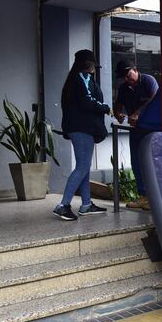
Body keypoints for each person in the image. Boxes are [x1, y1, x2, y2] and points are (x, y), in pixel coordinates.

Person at [52, 50, 111, 221]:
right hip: (83, 128)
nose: (94, 69)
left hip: (78, 128)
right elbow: (88, 101)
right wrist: (105, 108)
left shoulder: (73, 79)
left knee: (83, 167)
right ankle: (63, 205)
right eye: (92, 65)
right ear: (87, 64)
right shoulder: (82, 77)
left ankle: (86, 204)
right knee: (82, 167)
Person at [113, 61, 159, 211]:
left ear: (135, 70)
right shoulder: (124, 87)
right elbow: (118, 105)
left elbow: (155, 100)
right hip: (136, 130)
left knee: (152, 162)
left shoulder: (148, 80)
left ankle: (155, 198)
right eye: (124, 78)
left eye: (128, 75)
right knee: (136, 162)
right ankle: (143, 196)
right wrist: (118, 113)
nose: (127, 79)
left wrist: (138, 113)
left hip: (152, 129)